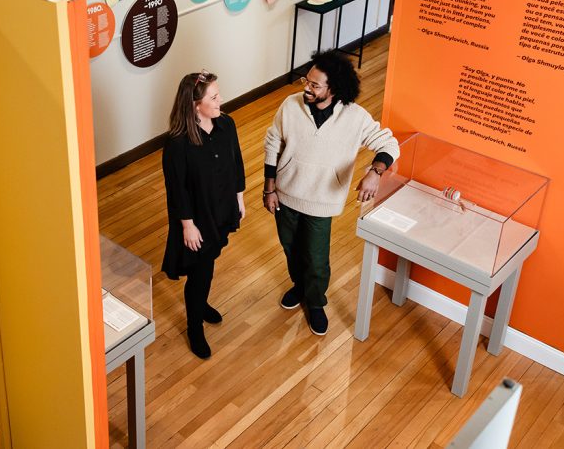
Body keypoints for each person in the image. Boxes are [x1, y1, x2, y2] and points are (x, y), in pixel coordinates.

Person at [262, 50, 399, 336]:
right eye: (306, 82)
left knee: (315, 256)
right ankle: (300, 288)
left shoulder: (356, 117)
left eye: (315, 85)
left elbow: (389, 145)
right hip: (286, 194)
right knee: (291, 249)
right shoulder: (290, 105)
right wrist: (269, 187)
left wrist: (375, 172)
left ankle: (314, 302)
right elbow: (273, 141)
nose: (307, 88)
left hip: (322, 201)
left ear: (333, 89)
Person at [162, 69, 246, 359]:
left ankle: (201, 303)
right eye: (214, 97)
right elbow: (177, 189)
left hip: (221, 208)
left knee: (209, 261)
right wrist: (187, 225)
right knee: (199, 272)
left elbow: (236, 162)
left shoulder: (227, 124)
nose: (220, 100)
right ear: (196, 104)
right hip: (195, 219)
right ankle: (194, 326)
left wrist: (239, 197)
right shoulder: (177, 143)